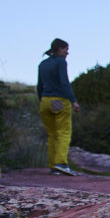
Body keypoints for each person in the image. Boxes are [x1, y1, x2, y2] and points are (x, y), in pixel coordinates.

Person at [37, 38, 80, 176]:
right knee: (63, 132)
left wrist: (41, 100)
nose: (68, 52)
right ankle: (61, 163)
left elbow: (39, 85)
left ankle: (52, 165)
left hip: (44, 101)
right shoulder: (61, 62)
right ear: (59, 49)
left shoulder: (42, 64)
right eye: (66, 49)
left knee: (51, 134)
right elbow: (64, 82)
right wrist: (73, 100)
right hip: (59, 101)